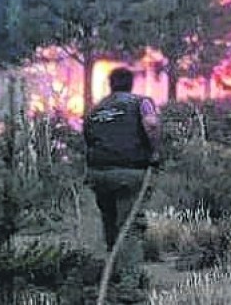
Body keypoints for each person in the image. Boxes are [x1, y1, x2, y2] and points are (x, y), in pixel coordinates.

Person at [83, 67, 160, 300]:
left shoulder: (96, 109)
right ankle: (128, 286)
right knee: (130, 228)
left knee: (111, 226)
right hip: (130, 173)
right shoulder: (142, 102)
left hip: (99, 175)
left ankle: (114, 274)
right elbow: (152, 124)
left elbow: (88, 138)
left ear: (111, 85)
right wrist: (155, 152)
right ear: (131, 84)